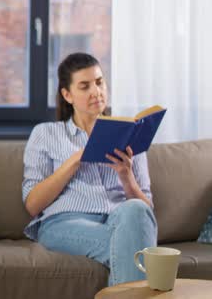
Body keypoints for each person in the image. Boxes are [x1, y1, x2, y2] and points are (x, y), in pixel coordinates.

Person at [22, 52, 157, 286]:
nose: (96, 92)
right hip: (65, 223)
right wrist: (75, 161)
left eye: (99, 82)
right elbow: (33, 204)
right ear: (67, 94)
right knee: (134, 247)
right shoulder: (45, 134)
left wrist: (126, 176)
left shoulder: (130, 133)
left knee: (135, 212)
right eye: (84, 86)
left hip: (120, 218)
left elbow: (146, 213)